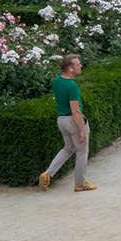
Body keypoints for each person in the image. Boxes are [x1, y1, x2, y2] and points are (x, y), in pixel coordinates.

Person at [39, 54, 94, 192]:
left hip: (61, 120)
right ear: (70, 69)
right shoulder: (72, 87)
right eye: (77, 64)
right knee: (82, 151)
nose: (80, 65)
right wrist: (81, 129)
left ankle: (48, 174)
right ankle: (80, 183)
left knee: (68, 148)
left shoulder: (57, 81)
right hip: (72, 120)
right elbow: (75, 111)